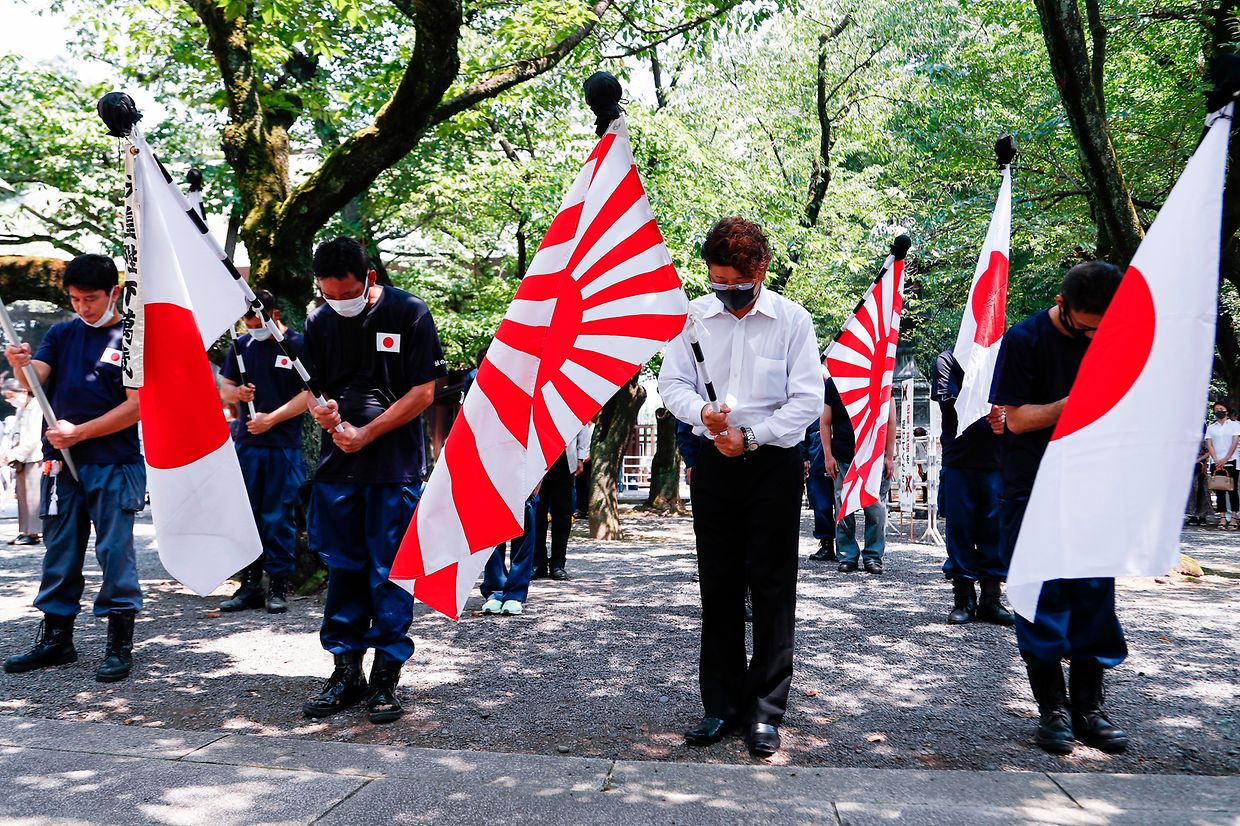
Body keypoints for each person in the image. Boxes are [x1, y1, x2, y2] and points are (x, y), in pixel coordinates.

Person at [658, 216, 823, 757]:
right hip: (714, 461)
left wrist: (751, 437)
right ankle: (721, 706)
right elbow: (672, 383)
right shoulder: (693, 320)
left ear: (762, 270)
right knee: (719, 584)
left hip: (773, 463)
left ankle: (765, 710)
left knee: (773, 586)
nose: (728, 295)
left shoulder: (793, 322)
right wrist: (702, 412)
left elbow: (805, 400)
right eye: (718, 284)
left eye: (739, 285)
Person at [300, 237, 447, 724]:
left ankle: (386, 675)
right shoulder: (319, 320)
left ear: (370, 280)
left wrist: (368, 432)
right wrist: (322, 413)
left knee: (390, 573)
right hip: (338, 470)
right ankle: (345, 671)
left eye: (346, 293)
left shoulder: (410, 313)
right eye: (328, 294)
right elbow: (313, 389)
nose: (337, 302)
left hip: (394, 469)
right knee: (343, 570)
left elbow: (423, 392)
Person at [989, 260, 1128, 756]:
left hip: (1095, 488)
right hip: (1031, 488)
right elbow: (1010, 421)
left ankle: (1090, 709)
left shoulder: (1117, 336)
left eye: (1103, 329)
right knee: (1040, 599)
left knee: (1094, 598)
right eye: (1088, 329)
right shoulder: (1024, 340)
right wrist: (1073, 403)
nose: (1095, 339)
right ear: (1063, 306)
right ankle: (1053, 710)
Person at [2, 254, 144, 683]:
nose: (83, 307)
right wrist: (19, 362)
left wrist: (79, 432)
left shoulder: (133, 339)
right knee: (59, 550)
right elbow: (35, 379)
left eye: (92, 298)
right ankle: (57, 636)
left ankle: (119, 641)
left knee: (114, 553)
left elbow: (136, 407)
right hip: (62, 465)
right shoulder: (62, 334)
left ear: (113, 293)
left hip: (114, 464)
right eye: (75, 299)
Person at [217, 290, 309, 614]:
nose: (252, 323)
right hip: (248, 445)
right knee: (248, 516)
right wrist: (237, 393)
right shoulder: (241, 347)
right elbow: (224, 387)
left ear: (275, 312)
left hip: (283, 446)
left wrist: (272, 418)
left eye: (257, 317)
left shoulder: (295, 345)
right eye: (247, 319)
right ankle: (250, 584)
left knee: (278, 517)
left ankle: (278, 585)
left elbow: (309, 395)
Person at [932, 350, 1013, 625]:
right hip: (959, 460)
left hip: (996, 462)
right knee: (961, 530)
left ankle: (992, 599)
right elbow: (948, 402)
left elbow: (1016, 399)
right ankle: (963, 598)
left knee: (995, 532)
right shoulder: (948, 360)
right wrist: (991, 411)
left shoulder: (1001, 360)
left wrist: (1006, 415)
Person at [822, 377, 896, 574]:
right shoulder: (833, 383)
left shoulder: (882, 376)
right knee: (843, 506)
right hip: (842, 454)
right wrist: (828, 456)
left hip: (873, 455)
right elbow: (825, 421)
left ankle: (873, 555)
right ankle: (847, 554)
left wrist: (889, 455)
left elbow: (890, 419)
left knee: (876, 507)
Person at [533, 423, 592, 581]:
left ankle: (558, 564)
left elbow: (582, 424)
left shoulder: (573, 398)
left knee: (563, 515)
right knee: (538, 513)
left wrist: (580, 456)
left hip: (565, 458)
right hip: (538, 458)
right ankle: (538, 562)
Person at [481, 493, 538, 616]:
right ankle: (495, 589)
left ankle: (515, 593)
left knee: (524, 520)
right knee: (491, 527)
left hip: (524, 477)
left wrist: (540, 476)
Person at [3, 380, 43, 545]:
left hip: (33, 456)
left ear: (23, 391)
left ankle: (34, 531)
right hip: (19, 456)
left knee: (33, 496)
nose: (9, 400)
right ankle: (25, 530)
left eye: (11, 396)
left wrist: (16, 453)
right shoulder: (22, 409)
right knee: (22, 495)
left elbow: (33, 436)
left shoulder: (36, 406)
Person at [802, 419, 835, 562]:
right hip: (816, 457)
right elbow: (801, 431)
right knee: (820, 505)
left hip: (840, 454)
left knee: (843, 505)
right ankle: (826, 544)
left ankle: (845, 547)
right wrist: (803, 456)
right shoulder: (812, 402)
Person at [1205, 401, 1240, 528]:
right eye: (1216, 409)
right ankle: (1222, 517)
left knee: (1232, 490)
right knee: (1219, 490)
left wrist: (1225, 459)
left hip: (1231, 461)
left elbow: (1235, 442)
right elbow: (1209, 443)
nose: (1219, 411)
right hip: (1216, 461)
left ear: (1226, 410)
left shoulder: (1234, 425)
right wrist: (1215, 459)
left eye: (1221, 408)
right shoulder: (1211, 427)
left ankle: (1234, 518)